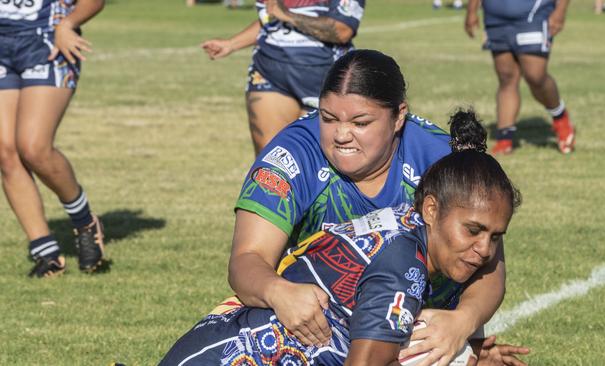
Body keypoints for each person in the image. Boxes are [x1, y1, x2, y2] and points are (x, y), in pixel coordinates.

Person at [179, 50, 518, 365]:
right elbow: (246, 261)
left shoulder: (439, 158)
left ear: (399, 116)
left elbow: (487, 259)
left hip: (424, 315)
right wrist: (278, 291)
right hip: (319, 318)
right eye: (328, 118)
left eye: (360, 123)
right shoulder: (293, 156)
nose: (341, 134)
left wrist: (462, 323)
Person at [0, 0, 106, 277]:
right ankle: (46, 253)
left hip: (48, 41)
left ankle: (85, 223)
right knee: (5, 150)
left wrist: (68, 24)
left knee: (34, 147)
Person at [201, 0, 365, 155]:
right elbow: (270, 21)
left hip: (325, 77)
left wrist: (286, 14)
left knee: (322, 160)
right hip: (270, 71)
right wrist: (231, 44)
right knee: (271, 159)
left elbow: (342, 30)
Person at [465, 0, 576, 155]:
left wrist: (560, 10)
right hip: (495, 17)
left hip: (533, 14)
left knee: (535, 75)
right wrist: (471, 10)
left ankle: (560, 117)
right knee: (506, 77)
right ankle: (505, 139)